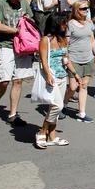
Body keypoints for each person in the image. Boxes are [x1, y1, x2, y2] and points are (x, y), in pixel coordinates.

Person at [0, 0, 34, 127]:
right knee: (4, 81)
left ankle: (12, 114)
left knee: (18, 80)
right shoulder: (0, 4)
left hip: (23, 46)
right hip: (6, 45)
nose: (19, 1)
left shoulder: (24, 2)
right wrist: (16, 31)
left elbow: (30, 19)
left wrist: (28, 22)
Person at [35, 13, 77, 149]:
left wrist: (75, 74)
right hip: (51, 76)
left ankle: (51, 135)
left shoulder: (63, 39)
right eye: (63, 23)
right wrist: (48, 75)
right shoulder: (45, 40)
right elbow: (43, 60)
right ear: (56, 24)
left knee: (56, 108)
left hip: (62, 76)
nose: (66, 26)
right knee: (57, 106)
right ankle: (42, 131)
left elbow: (66, 59)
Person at [62, 0, 95, 122]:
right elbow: (66, 43)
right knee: (73, 87)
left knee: (83, 86)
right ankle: (64, 103)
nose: (86, 10)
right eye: (83, 8)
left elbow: (92, 40)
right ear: (76, 10)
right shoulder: (70, 24)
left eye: (87, 8)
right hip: (74, 59)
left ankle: (81, 113)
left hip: (88, 58)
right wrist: (66, 58)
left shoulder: (89, 23)